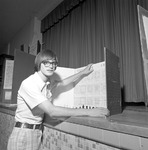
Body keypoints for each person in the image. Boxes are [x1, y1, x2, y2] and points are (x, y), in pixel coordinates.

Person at [7, 49, 109, 150]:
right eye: (46, 62)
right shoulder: (30, 83)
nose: (51, 66)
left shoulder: (47, 83)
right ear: (39, 64)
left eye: (54, 63)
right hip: (24, 133)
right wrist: (90, 111)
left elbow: (62, 83)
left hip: (37, 132)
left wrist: (82, 73)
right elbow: (52, 111)